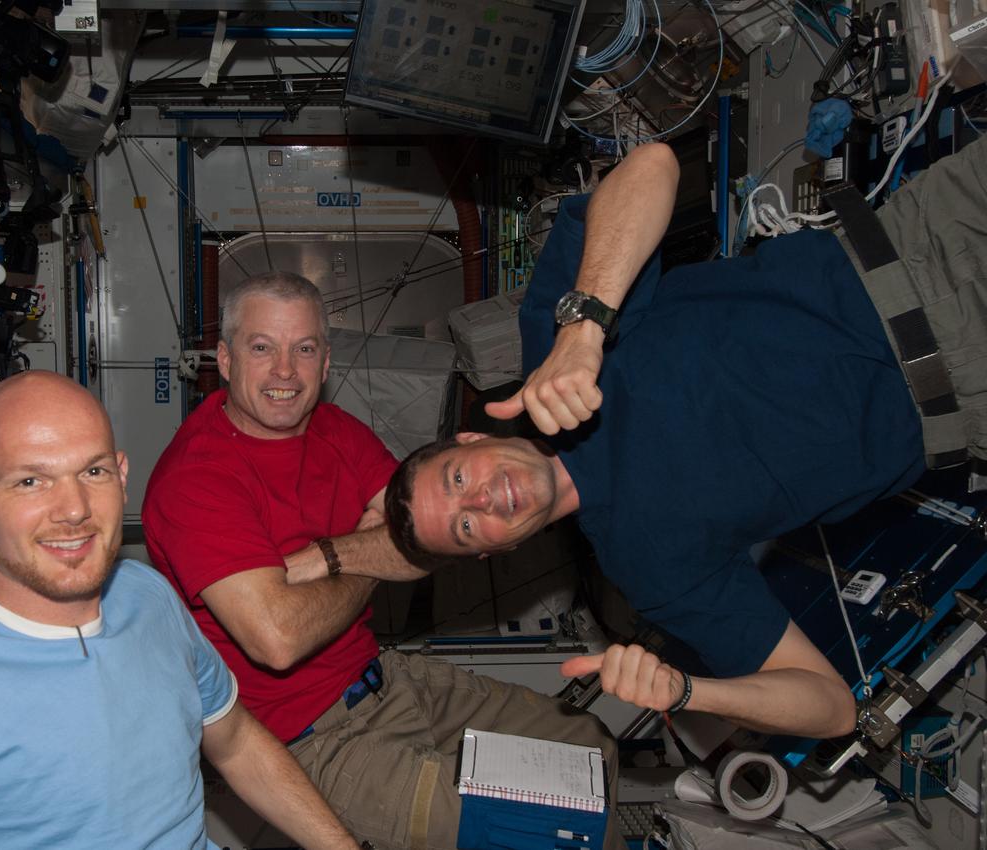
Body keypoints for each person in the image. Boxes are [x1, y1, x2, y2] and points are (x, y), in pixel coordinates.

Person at [385, 136, 987, 741]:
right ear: (495, 552)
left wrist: (584, 329)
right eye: (466, 527)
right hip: (966, 390)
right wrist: (689, 689)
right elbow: (831, 708)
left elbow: (652, 165)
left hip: (925, 236)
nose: (482, 501)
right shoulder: (652, 570)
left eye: (457, 480)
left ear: (467, 439)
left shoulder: (551, 337)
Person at [0, 371, 361, 850]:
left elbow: (233, 741)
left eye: (93, 472)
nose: (75, 510)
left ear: (122, 475)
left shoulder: (148, 597)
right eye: (31, 480)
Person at [143, 272, 624, 850]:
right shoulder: (197, 477)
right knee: (539, 834)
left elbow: (429, 542)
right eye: (261, 347)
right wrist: (371, 549)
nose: (284, 372)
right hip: (311, 739)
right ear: (223, 359)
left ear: (325, 362)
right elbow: (278, 637)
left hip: (387, 679)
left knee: (589, 749)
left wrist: (329, 555)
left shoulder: (336, 431)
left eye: (304, 349)